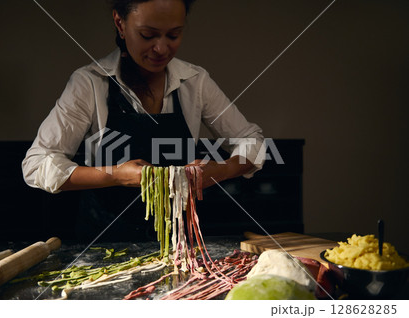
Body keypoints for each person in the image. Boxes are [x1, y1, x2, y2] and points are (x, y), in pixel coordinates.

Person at [22, 0, 264, 241]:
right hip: (105, 242)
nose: (161, 49)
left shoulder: (195, 81)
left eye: (173, 35)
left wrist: (221, 171)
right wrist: (115, 174)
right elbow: (37, 164)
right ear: (120, 23)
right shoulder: (90, 82)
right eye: (148, 35)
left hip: (179, 240)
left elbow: (252, 141)